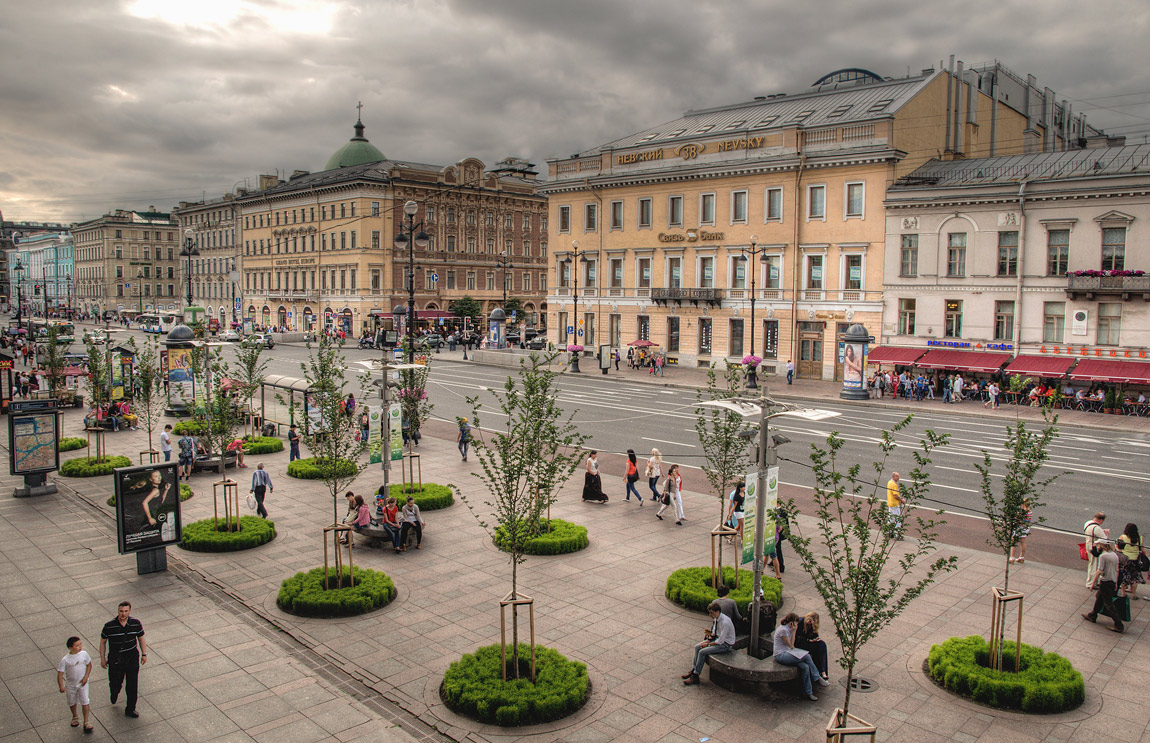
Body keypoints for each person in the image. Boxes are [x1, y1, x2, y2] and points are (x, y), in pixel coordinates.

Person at [100, 600, 147, 718]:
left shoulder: (135, 623)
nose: (123, 614)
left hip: (132, 658)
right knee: (116, 681)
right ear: (118, 611)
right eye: (121, 611)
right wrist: (102, 658)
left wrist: (144, 654)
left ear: (129, 611)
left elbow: (141, 638)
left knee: (132, 685)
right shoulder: (109, 626)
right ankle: (114, 691)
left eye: (126, 611)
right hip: (116, 659)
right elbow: (103, 642)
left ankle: (131, 709)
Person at [773, 612, 826, 700]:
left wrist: (793, 631)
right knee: (807, 656)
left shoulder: (789, 628)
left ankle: (808, 692)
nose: (797, 624)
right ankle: (817, 676)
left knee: (805, 667)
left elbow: (792, 646)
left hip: (788, 653)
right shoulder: (783, 630)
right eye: (796, 623)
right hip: (780, 655)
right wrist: (794, 631)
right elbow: (791, 645)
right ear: (791, 623)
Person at [682, 601, 735, 686]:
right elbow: (715, 632)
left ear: (718, 612)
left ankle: (696, 675)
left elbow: (721, 641)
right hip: (717, 639)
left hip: (726, 644)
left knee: (702, 652)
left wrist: (708, 644)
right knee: (697, 647)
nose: (710, 615)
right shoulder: (716, 619)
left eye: (711, 613)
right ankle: (693, 669)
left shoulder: (725, 623)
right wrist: (709, 639)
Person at [1082, 540, 1124, 633]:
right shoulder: (1114, 554)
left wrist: (1093, 583)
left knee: (1108, 603)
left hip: (1105, 581)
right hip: (1112, 581)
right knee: (1099, 597)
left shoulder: (1103, 556)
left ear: (1102, 546)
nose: (1097, 547)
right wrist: (1116, 583)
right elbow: (1117, 570)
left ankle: (1119, 624)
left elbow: (1100, 570)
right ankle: (1093, 615)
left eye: (1098, 545)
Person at [58, 636, 94, 733]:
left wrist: (86, 677)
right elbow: (60, 673)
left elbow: (89, 665)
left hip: (83, 683)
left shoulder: (84, 654)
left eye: (80, 644)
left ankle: (86, 722)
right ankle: (75, 716)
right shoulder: (65, 660)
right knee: (72, 701)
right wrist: (61, 685)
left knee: (85, 701)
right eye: (77, 645)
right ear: (70, 648)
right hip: (71, 685)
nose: (80, 647)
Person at [795, 612, 829, 682]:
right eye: (808, 620)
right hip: (800, 645)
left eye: (811, 621)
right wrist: (808, 640)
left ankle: (823, 671)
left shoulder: (811, 626)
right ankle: (821, 672)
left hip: (807, 644)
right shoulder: (801, 622)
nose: (808, 622)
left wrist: (814, 629)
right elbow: (796, 639)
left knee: (822, 645)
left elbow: (815, 636)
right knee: (817, 648)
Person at [1116, 523, 1145, 600]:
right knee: (1134, 578)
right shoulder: (1140, 538)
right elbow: (1143, 550)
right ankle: (1133, 594)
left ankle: (1123, 593)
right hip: (1135, 560)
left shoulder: (1123, 537)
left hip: (1125, 560)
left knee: (1124, 576)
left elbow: (1118, 546)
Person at [1084, 512, 1108, 589]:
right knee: (1094, 565)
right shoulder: (1097, 528)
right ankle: (1091, 583)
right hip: (1095, 548)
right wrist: (1106, 534)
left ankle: (1092, 581)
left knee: (1091, 563)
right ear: (1101, 520)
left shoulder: (1088, 523)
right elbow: (1105, 540)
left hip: (1088, 545)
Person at [1010, 499, 1032, 564]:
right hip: (1025, 527)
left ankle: (1012, 557)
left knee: (1013, 541)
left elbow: (1017, 518)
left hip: (1018, 527)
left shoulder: (1021, 512)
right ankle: (1021, 557)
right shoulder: (1030, 511)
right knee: (1023, 542)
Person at [725, 481, 745, 546]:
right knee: (742, 525)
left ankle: (730, 539)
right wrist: (730, 514)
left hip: (742, 510)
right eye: (743, 487)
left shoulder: (744, 493)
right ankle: (742, 540)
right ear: (740, 488)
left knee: (738, 526)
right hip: (738, 511)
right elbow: (734, 505)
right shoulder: (736, 496)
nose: (744, 488)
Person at [886, 472, 905, 536]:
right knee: (898, 520)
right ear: (893, 477)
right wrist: (902, 500)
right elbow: (895, 495)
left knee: (890, 519)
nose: (898, 478)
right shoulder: (894, 484)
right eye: (897, 476)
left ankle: (888, 532)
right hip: (895, 504)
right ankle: (897, 535)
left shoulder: (889, 482)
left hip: (890, 504)